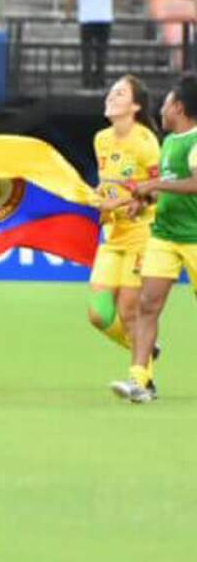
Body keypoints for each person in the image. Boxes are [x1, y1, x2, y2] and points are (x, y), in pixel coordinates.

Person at [112, 73, 197, 403]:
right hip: (164, 236)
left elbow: (193, 184)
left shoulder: (194, 141)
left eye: (165, 103)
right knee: (147, 306)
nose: (160, 110)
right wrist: (144, 200)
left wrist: (153, 185)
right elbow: (170, 188)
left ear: (178, 107)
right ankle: (140, 380)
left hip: (194, 238)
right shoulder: (171, 142)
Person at [87, 75, 161, 383]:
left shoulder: (145, 142)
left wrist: (131, 201)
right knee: (99, 315)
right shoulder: (101, 139)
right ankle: (146, 349)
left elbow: (157, 189)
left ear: (135, 106)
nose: (110, 96)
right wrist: (96, 196)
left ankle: (143, 379)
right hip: (112, 236)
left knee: (130, 311)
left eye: (119, 93)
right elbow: (108, 185)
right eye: (111, 91)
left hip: (140, 236)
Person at [65, 0, 119, 90]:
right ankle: (100, 79)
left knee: (87, 50)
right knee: (102, 50)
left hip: (87, 16)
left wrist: (68, 12)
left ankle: (87, 81)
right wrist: (113, 9)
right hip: (105, 16)